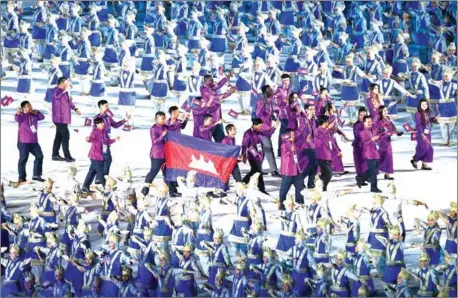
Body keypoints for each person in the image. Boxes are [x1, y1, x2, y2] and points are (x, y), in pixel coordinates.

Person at [141, 112, 179, 197]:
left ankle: (172, 192)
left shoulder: (165, 126)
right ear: (157, 119)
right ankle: (145, 188)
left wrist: (180, 120)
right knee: (154, 171)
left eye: (164, 118)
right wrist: (162, 135)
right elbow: (154, 142)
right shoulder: (153, 129)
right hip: (157, 154)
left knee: (169, 173)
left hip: (166, 154)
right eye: (162, 118)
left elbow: (173, 127)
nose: (164, 120)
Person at [82, 118, 119, 191]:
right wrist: (88, 139)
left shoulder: (104, 132)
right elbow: (91, 139)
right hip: (95, 155)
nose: (102, 124)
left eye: (102, 123)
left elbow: (107, 141)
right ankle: (107, 187)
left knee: (92, 171)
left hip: (100, 155)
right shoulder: (94, 132)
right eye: (100, 123)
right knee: (100, 172)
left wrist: (115, 139)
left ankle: (85, 187)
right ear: (97, 125)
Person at [241, 118, 278, 193]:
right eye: (260, 126)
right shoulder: (247, 133)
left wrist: (274, 127)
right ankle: (245, 182)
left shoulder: (259, 132)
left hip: (259, 155)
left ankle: (260, 188)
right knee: (256, 171)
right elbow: (244, 145)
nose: (261, 127)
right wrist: (243, 155)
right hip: (251, 155)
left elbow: (267, 134)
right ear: (254, 125)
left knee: (257, 171)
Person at [94, 100, 128, 176]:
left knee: (103, 159)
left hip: (107, 140)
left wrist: (125, 120)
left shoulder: (108, 117)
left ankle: (100, 178)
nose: (108, 108)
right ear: (101, 107)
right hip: (101, 142)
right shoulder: (97, 118)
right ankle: (103, 177)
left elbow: (115, 125)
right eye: (106, 106)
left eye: (108, 106)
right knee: (107, 159)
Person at [51, 77, 81, 162]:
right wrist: (65, 91)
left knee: (59, 136)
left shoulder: (65, 92)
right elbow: (57, 97)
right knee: (65, 135)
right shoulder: (56, 91)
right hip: (59, 119)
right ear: (63, 83)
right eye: (67, 82)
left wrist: (75, 109)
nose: (68, 83)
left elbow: (69, 102)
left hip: (64, 118)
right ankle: (67, 157)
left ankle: (55, 154)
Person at [15, 101, 45, 183]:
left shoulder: (34, 115)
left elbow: (42, 117)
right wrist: (17, 113)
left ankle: (36, 175)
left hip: (34, 142)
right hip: (24, 142)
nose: (30, 107)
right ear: (23, 108)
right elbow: (17, 119)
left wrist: (37, 112)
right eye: (28, 106)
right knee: (23, 159)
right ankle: (21, 177)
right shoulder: (21, 115)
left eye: (30, 106)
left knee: (39, 156)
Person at [279, 130, 305, 208]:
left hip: (296, 170)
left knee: (300, 187)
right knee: (284, 189)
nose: (294, 135)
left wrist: (306, 143)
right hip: (288, 171)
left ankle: (299, 203)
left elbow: (299, 150)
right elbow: (284, 154)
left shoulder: (294, 143)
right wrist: (291, 151)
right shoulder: (284, 144)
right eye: (293, 134)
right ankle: (282, 204)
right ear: (288, 136)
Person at [357, 116, 382, 193]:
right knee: (373, 172)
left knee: (373, 170)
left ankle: (360, 178)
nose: (370, 123)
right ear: (364, 123)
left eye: (371, 121)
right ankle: (374, 188)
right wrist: (372, 140)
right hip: (369, 154)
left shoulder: (370, 131)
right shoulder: (362, 132)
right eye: (368, 122)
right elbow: (365, 143)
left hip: (374, 153)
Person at [411, 99, 434, 170]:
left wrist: (435, 119)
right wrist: (422, 134)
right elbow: (418, 125)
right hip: (421, 134)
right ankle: (415, 159)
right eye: (423, 105)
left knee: (429, 149)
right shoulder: (418, 114)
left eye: (426, 104)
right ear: (420, 106)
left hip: (428, 133)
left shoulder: (427, 112)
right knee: (424, 148)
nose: (424, 106)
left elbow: (428, 122)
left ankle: (424, 164)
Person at [315, 115, 333, 192]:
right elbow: (320, 138)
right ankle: (320, 184)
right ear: (324, 122)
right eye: (327, 121)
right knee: (329, 174)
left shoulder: (327, 131)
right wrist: (328, 129)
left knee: (326, 174)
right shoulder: (317, 130)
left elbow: (331, 141)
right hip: (321, 156)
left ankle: (322, 186)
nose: (328, 123)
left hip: (328, 155)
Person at [353, 107, 368, 180]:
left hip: (367, 146)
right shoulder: (357, 125)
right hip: (359, 146)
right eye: (361, 115)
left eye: (364, 115)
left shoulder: (368, 124)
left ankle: (366, 177)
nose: (362, 116)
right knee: (360, 162)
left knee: (366, 162)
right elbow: (357, 135)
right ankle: (360, 178)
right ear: (358, 116)